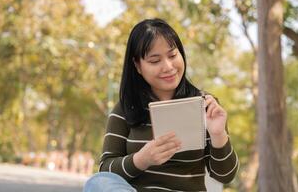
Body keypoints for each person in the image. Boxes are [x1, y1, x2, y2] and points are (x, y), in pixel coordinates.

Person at [83, 18, 238, 192]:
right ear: (138, 66)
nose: (168, 67)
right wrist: (142, 159)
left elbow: (225, 176)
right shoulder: (125, 108)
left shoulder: (205, 105)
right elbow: (106, 170)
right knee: (97, 183)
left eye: (173, 55)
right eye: (155, 61)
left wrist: (218, 134)